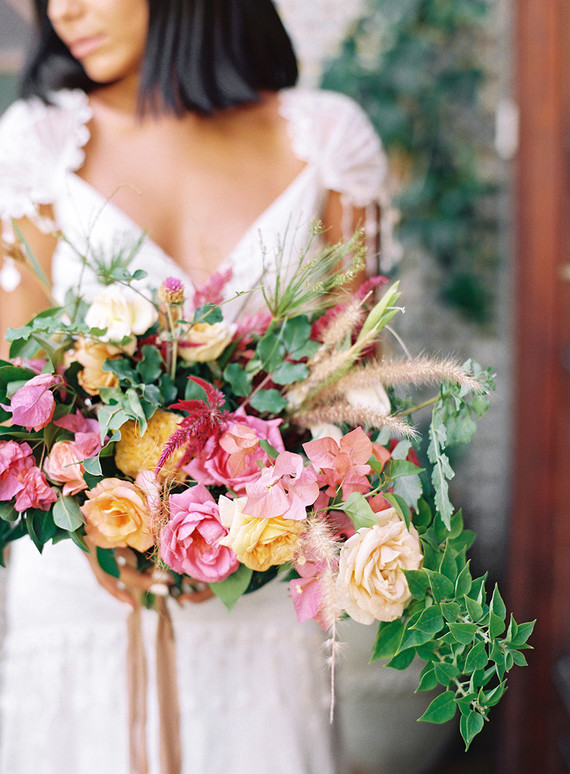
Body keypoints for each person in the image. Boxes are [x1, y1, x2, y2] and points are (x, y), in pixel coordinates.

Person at [0, 1, 393, 772]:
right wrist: (105, 531)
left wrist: (263, 517)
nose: (61, 9)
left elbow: (352, 394)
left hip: (264, 577)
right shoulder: (36, 145)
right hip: (89, 585)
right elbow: (18, 395)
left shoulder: (326, 141)